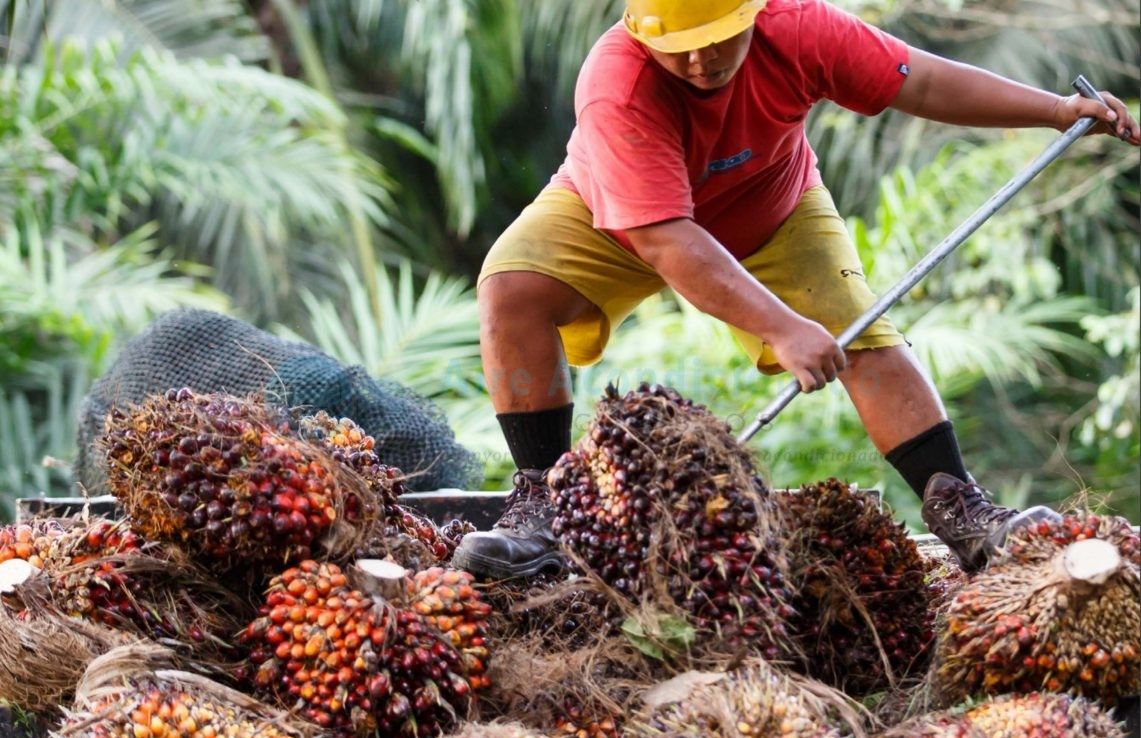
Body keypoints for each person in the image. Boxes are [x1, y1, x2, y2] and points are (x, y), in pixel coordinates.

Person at [450, 0, 1140, 580]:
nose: (700, 63)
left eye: (718, 40)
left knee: (854, 327)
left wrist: (1055, 111)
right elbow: (669, 242)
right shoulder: (618, 86)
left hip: (772, 209)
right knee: (512, 288)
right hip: (628, 216)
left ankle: (961, 509)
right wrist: (780, 327)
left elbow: (921, 82)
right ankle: (541, 505)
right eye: (679, 50)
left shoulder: (801, 29)